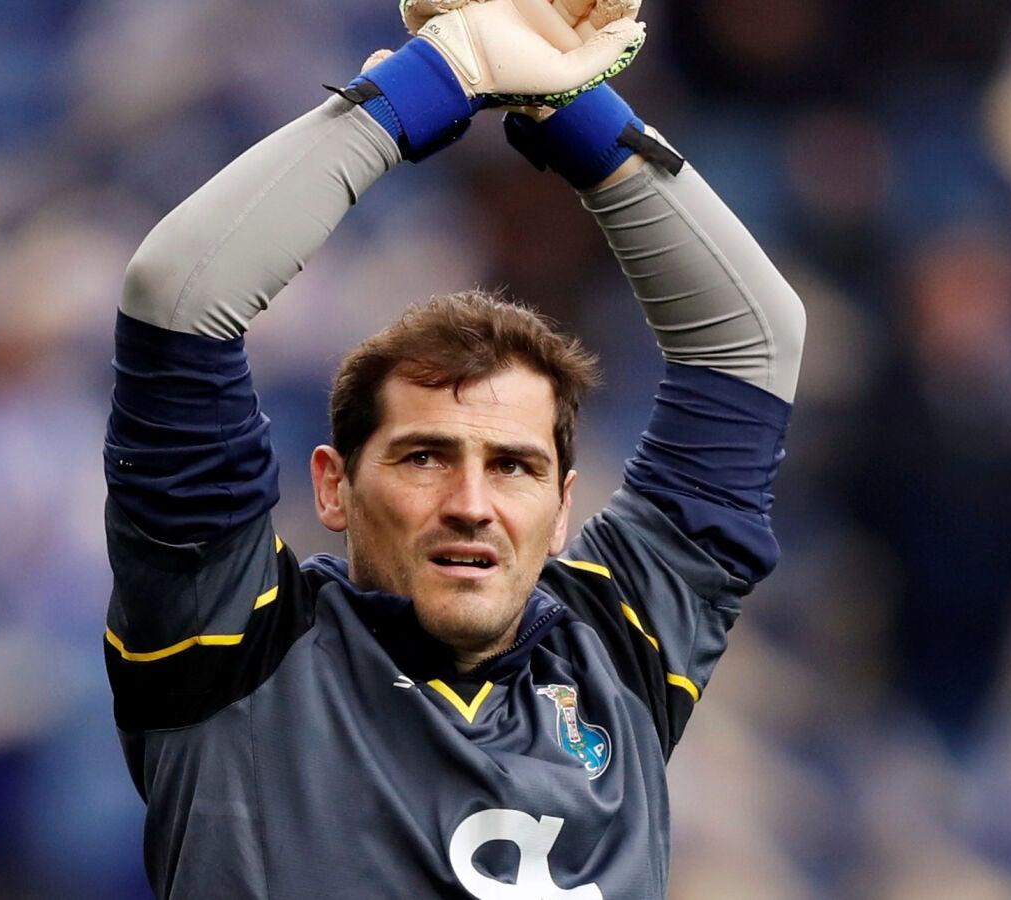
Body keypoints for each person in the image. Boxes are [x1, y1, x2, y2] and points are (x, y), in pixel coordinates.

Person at [101, 1, 805, 896]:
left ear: (563, 507)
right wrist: (445, 74)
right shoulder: (234, 647)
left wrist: (568, 101)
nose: (471, 503)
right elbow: (178, 299)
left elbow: (753, 344)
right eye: (424, 457)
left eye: (514, 466)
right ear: (334, 487)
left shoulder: (614, 650)